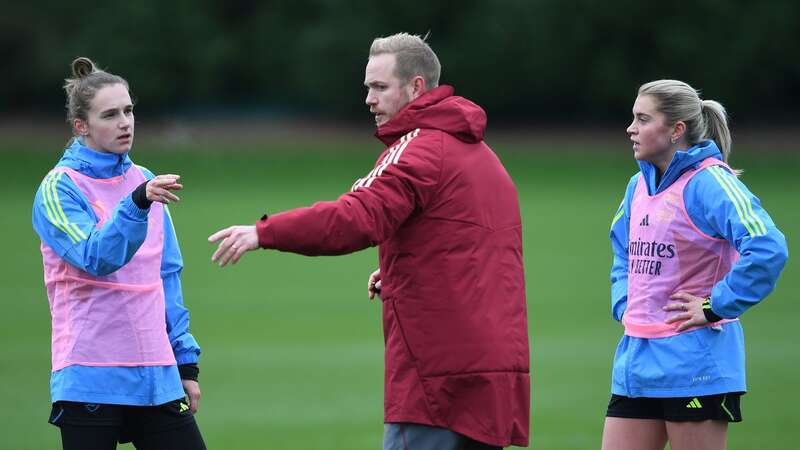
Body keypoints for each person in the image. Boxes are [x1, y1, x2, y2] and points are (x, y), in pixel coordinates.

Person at [208, 33, 529, 449]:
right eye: (367, 88)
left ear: (415, 87)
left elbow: (354, 217)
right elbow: (473, 248)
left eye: (379, 87)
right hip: (493, 370)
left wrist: (265, 232)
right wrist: (403, 265)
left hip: (437, 377)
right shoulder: (481, 155)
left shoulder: (419, 149)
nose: (369, 100)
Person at [602, 79, 788, 450]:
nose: (631, 128)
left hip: (696, 364)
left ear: (676, 130)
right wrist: (625, 301)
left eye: (642, 118)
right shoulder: (636, 186)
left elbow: (768, 247)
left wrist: (714, 306)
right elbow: (622, 249)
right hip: (636, 363)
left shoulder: (710, 182)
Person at [32, 57, 206, 450]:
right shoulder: (59, 189)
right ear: (82, 127)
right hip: (91, 376)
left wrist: (184, 362)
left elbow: (167, 275)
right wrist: (136, 204)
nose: (125, 122)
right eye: (110, 115)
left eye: (128, 111)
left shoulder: (145, 180)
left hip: (155, 374)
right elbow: (95, 257)